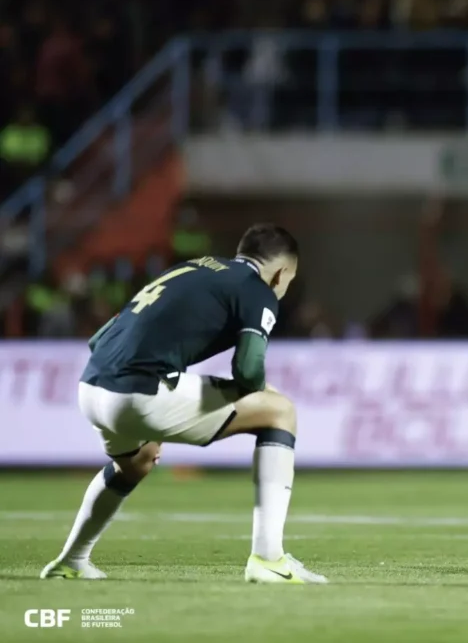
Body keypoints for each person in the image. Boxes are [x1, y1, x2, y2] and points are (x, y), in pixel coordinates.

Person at [41, 224, 328, 584]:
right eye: (289, 281)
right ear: (281, 273)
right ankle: (269, 559)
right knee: (280, 411)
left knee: (137, 461)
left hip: (92, 387)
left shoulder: (193, 267)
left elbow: (100, 338)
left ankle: (71, 561)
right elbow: (248, 368)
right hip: (138, 394)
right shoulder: (257, 289)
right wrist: (256, 390)